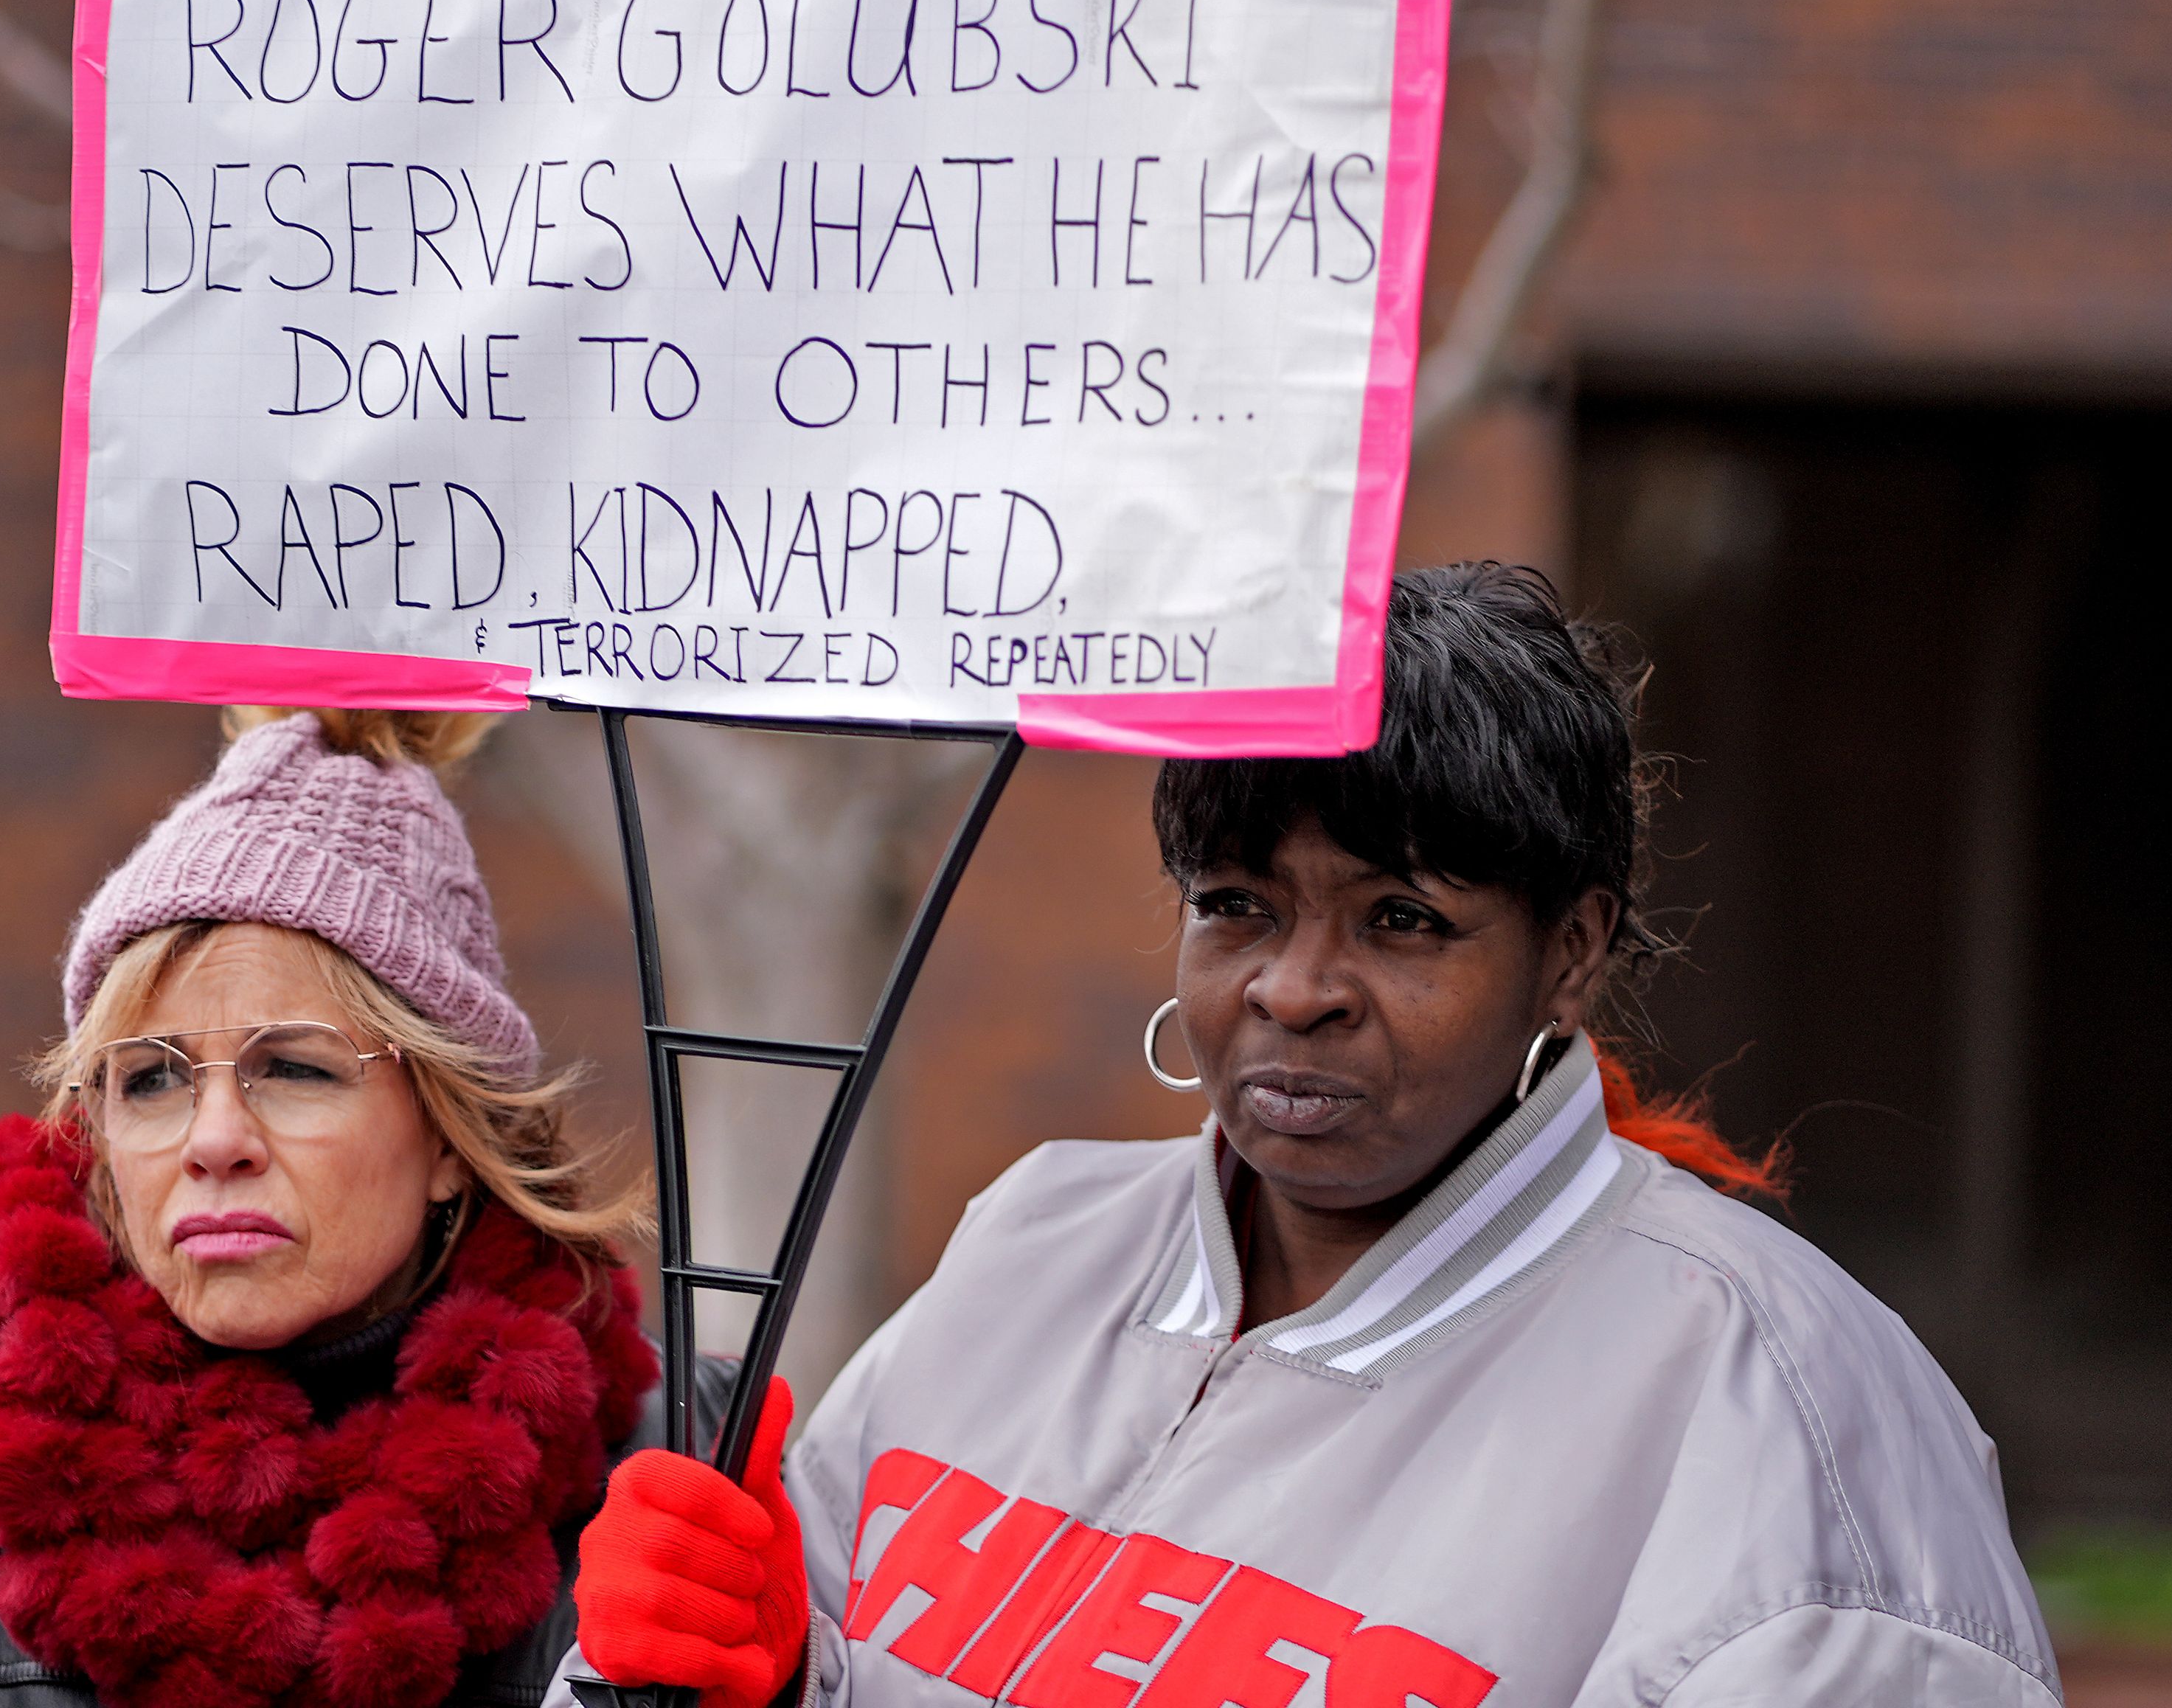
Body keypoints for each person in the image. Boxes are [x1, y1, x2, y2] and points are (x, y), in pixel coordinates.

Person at [568, 564, 2059, 1707]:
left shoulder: (1778, 1409)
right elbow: (797, 1642)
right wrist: (758, 1678)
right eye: (1237, 905)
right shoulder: (1038, 1237)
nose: (1295, 986)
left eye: (1402, 918)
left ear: (1570, 951)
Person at [0, 708, 690, 1708]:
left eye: (295, 1070)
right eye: (150, 1080)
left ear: (449, 1133)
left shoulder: (667, 1475)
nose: (212, 1139)